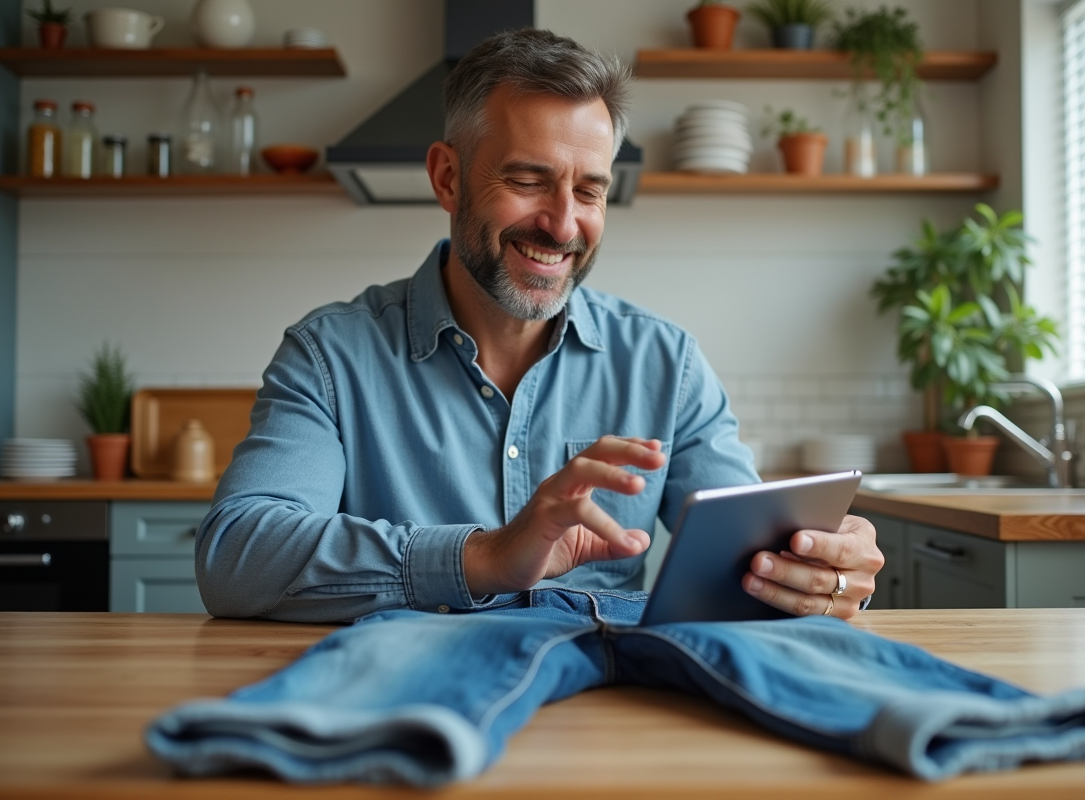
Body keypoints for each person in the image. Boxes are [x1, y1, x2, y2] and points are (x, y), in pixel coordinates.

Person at [195, 28, 883, 625]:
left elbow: (746, 555)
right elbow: (237, 557)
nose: (562, 224)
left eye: (589, 190)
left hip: (608, 719)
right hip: (415, 704)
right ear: (447, 179)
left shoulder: (664, 363)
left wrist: (814, 569)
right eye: (527, 181)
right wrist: (485, 558)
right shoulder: (330, 356)